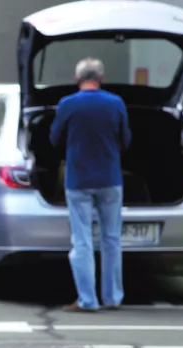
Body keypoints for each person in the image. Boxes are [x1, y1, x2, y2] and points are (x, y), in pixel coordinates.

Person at [49, 57, 132, 312]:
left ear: (77, 79)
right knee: (111, 238)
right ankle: (113, 297)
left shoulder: (68, 104)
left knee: (82, 240)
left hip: (79, 181)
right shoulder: (115, 103)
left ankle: (87, 300)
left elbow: (54, 138)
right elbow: (126, 140)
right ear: (101, 78)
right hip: (110, 179)